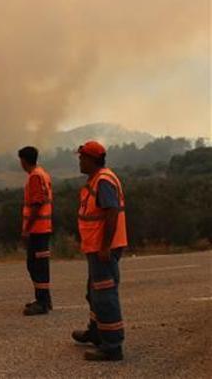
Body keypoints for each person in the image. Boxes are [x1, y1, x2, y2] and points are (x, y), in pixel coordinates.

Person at [72, 141, 128, 361]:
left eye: (82, 157)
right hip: (96, 247)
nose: (79, 161)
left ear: (92, 159)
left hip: (103, 249)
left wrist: (105, 246)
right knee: (93, 292)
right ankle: (96, 332)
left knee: (104, 296)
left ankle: (112, 346)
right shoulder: (96, 180)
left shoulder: (103, 181)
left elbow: (111, 213)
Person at [18, 146, 54, 316]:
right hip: (41, 229)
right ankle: (44, 299)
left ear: (24, 161)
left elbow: (37, 203)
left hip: (38, 230)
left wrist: (27, 228)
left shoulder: (35, 176)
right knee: (37, 265)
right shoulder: (42, 174)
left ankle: (42, 302)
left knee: (36, 265)